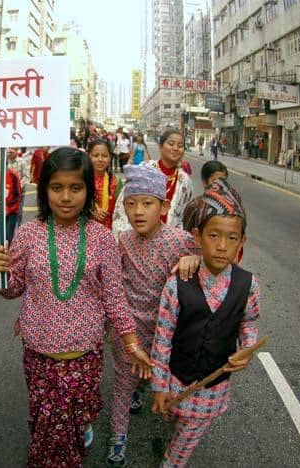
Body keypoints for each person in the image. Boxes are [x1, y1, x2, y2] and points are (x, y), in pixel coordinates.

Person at [0, 147, 152, 467]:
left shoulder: (102, 238)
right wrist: (0, 274)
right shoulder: (28, 234)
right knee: (49, 432)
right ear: (45, 189)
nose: (66, 197)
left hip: (85, 359)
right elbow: (12, 290)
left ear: (88, 190)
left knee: (71, 427)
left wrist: (132, 343)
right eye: (57, 187)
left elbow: (114, 298)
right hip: (39, 358)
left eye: (76, 188)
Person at [150, 180, 261, 467]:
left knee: (182, 448)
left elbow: (249, 323)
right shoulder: (177, 284)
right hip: (175, 381)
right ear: (197, 236)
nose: (223, 247)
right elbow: (162, 339)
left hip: (212, 391)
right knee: (173, 423)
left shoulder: (248, 286)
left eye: (232, 238)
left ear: (242, 242)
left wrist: (247, 348)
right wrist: (159, 386)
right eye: (214, 235)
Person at [106, 165, 198, 467]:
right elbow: (114, 287)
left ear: (165, 206)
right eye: (131, 204)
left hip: (166, 337)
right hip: (129, 332)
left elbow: (211, 262)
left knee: (160, 382)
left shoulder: (180, 240)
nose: (138, 211)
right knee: (122, 384)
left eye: (147, 203)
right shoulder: (123, 241)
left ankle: (153, 403)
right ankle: (118, 436)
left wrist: (194, 258)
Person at [113, 129, 194, 235]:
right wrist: (124, 233)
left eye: (180, 146)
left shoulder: (185, 180)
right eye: (171, 144)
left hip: (168, 239)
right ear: (160, 146)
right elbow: (125, 202)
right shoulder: (145, 168)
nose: (175, 148)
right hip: (137, 235)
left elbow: (185, 215)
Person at [88, 139, 123, 229]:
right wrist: (89, 209)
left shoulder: (116, 182)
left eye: (104, 156)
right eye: (96, 155)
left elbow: (121, 211)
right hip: (85, 230)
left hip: (109, 230)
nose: (100, 159)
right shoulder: (81, 179)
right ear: (89, 156)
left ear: (110, 158)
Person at [7, 147, 30, 226]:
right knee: (8, 212)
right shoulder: (5, 162)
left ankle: (18, 229)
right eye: (8, 152)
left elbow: (26, 177)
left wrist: (19, 186)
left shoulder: (22, 162)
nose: (9, 154)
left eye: (11, 152)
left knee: (18, 212)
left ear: (16, 152)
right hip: (8, 193)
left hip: (19, 192)